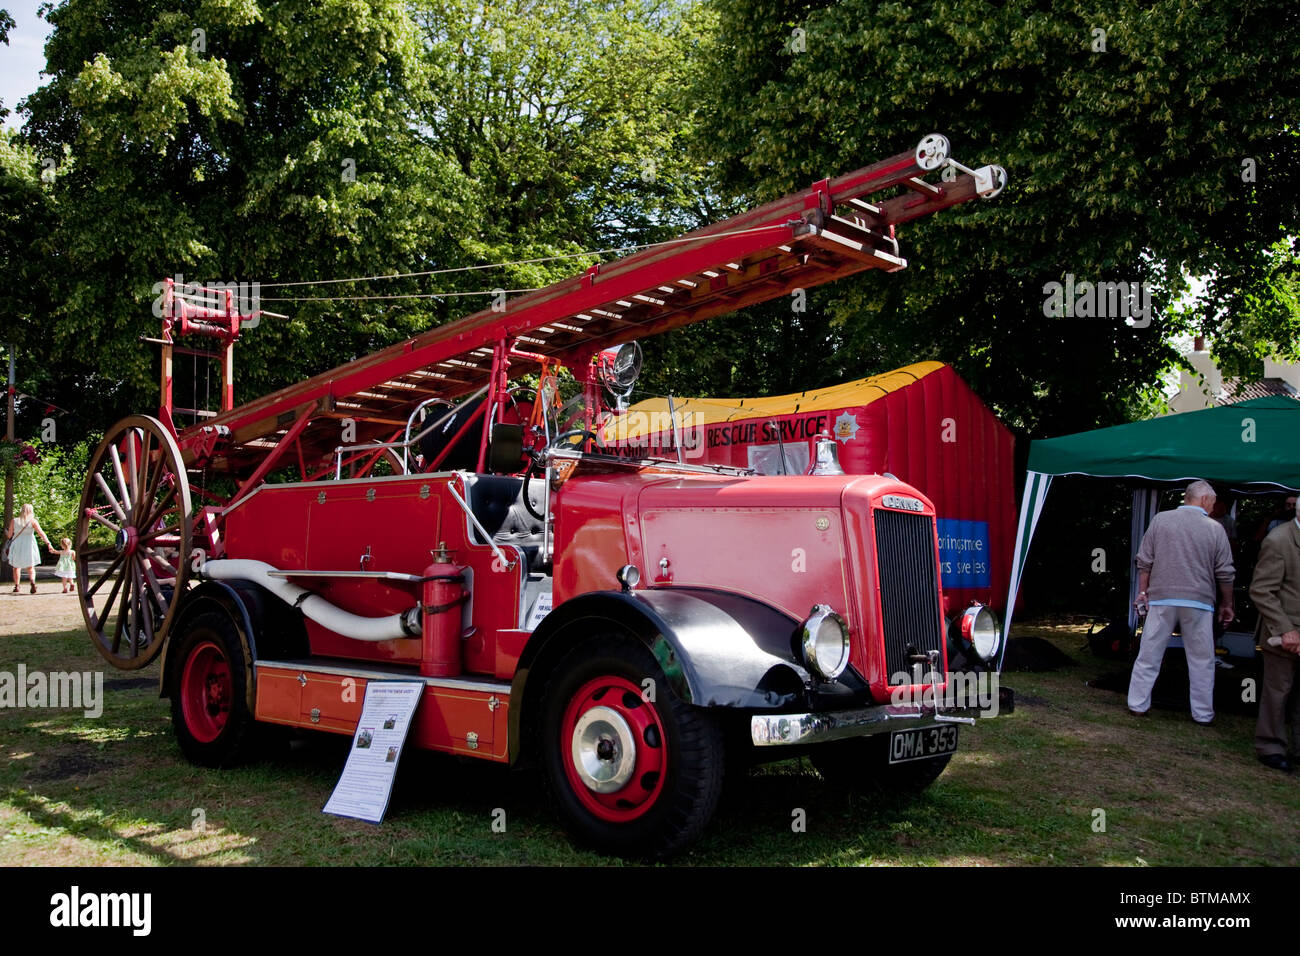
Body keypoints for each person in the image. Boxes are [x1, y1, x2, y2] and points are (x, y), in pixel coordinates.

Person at [1127, 480, 1235, 724]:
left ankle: (1137, 704)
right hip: (1199, 600)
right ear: (1206, 500)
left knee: (1149, 653)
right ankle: (1203, 713)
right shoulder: (1215, 528)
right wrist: (1227, 604)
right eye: (1213, 502)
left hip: (1162, 597)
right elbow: (1225, 572)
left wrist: (1143, 593)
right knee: (1201, 660)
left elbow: (1144, 560)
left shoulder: (1160, 520)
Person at [1250, 506, 1300, 772]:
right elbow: (1261, 590)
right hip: (1283, 633)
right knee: (1277, 692)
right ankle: (1270, 746)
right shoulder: (1278, 540)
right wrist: (1285, 629)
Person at [6, 503, 54, 594]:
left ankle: (17, 585)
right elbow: (41, 533)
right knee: (30, 566)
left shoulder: (14, 520)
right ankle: (32, 582)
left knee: (16, 567)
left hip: (17, 544)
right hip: (29, 544)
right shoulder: (33, 521)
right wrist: (48, 543)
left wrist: (8, 533)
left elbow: (9, 536)